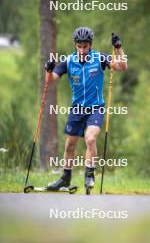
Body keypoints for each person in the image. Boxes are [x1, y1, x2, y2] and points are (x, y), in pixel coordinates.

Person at [45, 27, 128, 191]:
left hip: (96, 107)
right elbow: (51, 80)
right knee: (70, 144)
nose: (82, 50)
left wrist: (118, 48)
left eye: (85, 46)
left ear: (90, 45)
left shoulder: (99, 57)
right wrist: (48, 70)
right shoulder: (69, 61)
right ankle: (65, 178)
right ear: (75, 45)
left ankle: (89, 173)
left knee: (90, 138)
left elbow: (122, 67)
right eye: (79, 46)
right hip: (77, 109)